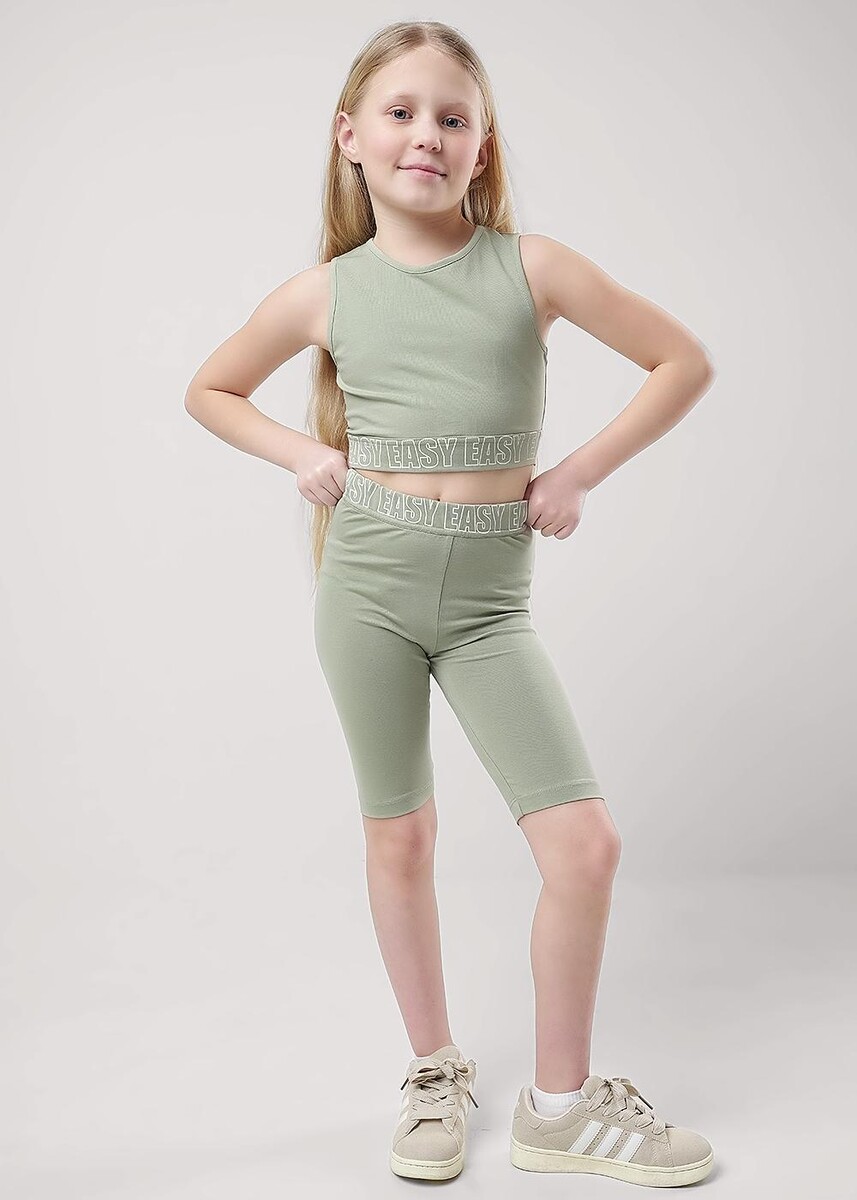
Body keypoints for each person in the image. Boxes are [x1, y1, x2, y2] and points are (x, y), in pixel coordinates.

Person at [185, 19, 717, 1189]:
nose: (424, 134)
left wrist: (576, 472)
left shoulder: (533, 269)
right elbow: (210, 388)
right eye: (400, 112)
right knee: (401, 834)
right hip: (365, 591)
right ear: (349, 137)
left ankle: (558, 1110)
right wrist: (299, 453)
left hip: (487, 612)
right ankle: (432, 1069)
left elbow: (680, 360)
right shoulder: (323, 293)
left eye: (452, 117)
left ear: (481, 150)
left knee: (582, 846)